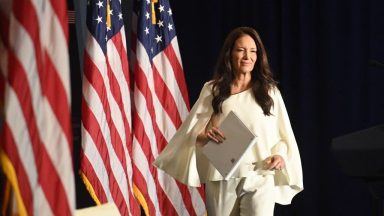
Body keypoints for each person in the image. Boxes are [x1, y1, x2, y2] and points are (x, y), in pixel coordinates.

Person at [153, 26, 303, 216]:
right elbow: (192, 135)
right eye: (241, 50)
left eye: (253, 51)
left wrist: (280, 156)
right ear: (230, 54)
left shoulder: (269, 92)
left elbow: (283, 136)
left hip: (260, 174)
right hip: (222, 175)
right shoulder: (213, 90)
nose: (248, 56)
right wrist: (206, 137)